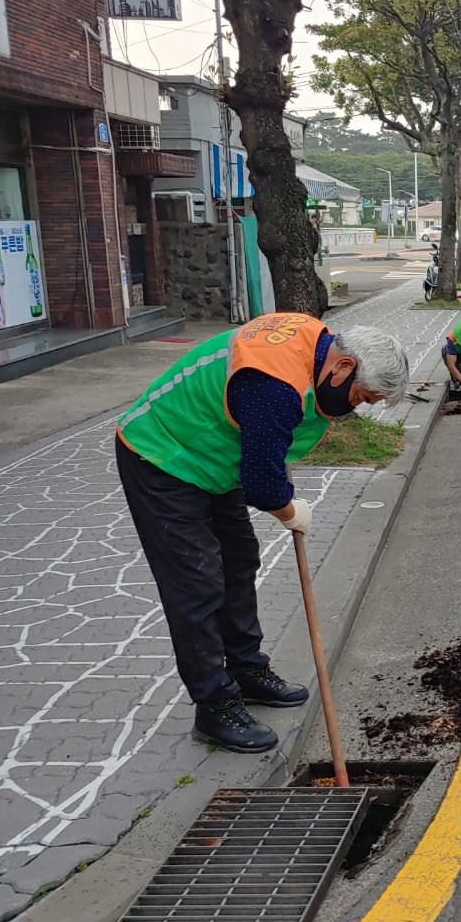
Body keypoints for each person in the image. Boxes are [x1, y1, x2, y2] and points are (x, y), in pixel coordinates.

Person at [114, 314, 410, 753]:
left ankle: (247, 670)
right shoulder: (273, 382)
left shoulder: (316, 349)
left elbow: (268, 442)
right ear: (343, 366)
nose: (357, 407)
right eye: (361, 397)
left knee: (239, 560)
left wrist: (283, 491)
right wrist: (291, 511)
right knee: (196, 583)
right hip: (163, 454)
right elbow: (263, 485)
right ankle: (215, 706)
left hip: (214, 460)